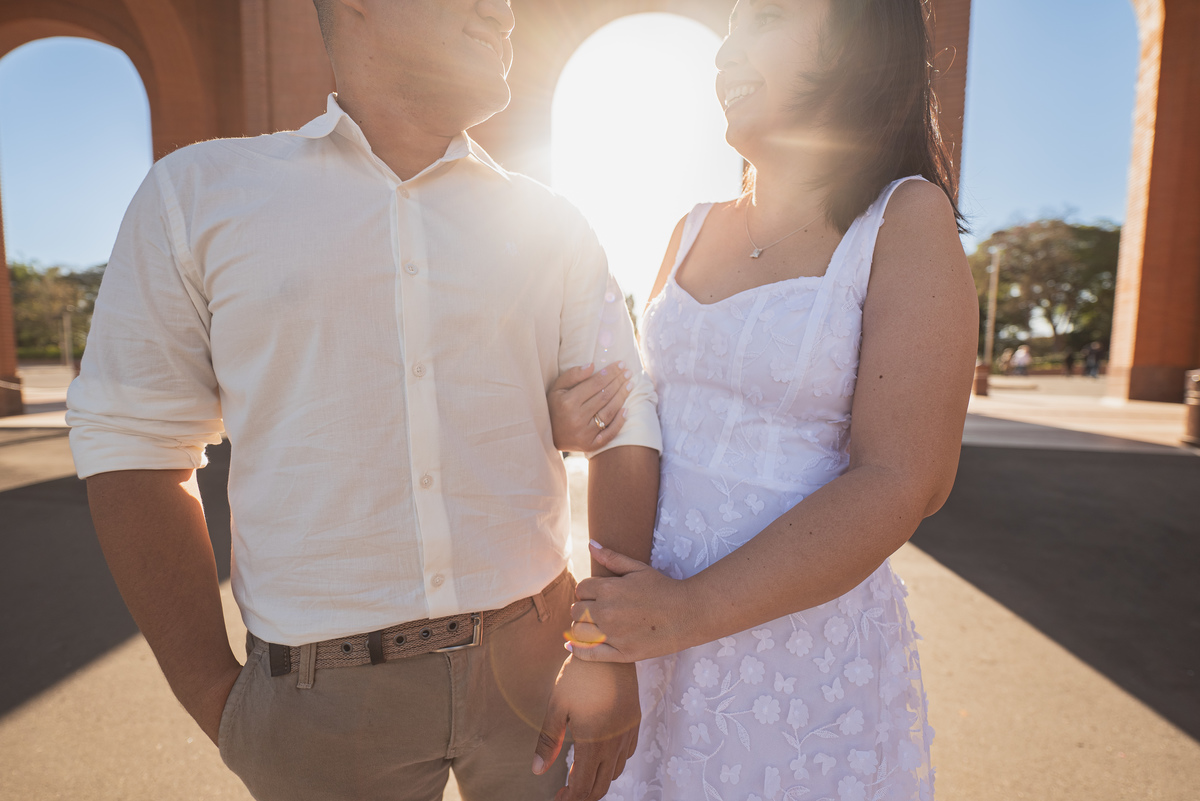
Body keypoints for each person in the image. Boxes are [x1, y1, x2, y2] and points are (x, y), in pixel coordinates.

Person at [65, 1, 662, 799]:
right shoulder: (197, 196)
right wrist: (220, 701)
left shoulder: (550, 220)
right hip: (320, 707)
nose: (504, 10)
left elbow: (629, 424)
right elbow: (132, 446)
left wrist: (607, 650)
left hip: (540, 665)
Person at [547, 1, 977, 798]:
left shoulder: (905, 219)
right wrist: (601, 638)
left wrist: (688, 611)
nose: (726, 53)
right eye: (732, 27)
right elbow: (640, 426)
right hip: (653, 638)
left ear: (855, 43)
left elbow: (906, 478)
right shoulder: (689, 228)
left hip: (797, 662)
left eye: (768, 19)